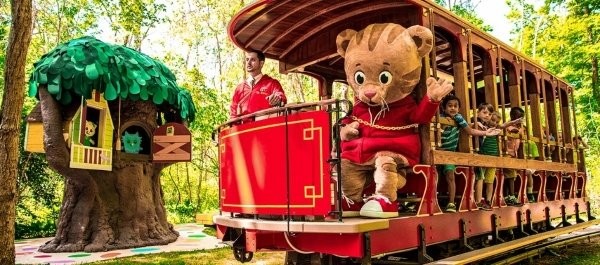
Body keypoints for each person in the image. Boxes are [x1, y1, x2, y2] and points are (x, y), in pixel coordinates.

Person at [438, 95, 499, 213]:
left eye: (455, 106)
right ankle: (435, 199)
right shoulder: (439, 117)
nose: (453, 108)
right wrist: (444, 123)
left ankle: (451, 203)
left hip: (450, 154)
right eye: (450, 106)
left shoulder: (459, 118)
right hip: (439, 151)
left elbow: (470, 131)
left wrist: (486, 132)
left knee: (450, 175)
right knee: (436, 177)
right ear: (444, 108)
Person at [229, 49, 287, 120]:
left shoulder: (272, 83)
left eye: (253, 60)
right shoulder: (239, 88)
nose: (248, 63)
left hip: (264, 127)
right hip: (244, 128)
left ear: (261, 63)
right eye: (247, 60)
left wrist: (277, 98)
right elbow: (233, 113)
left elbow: (280, 96)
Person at [503, 107, 525, 206]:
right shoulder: (509, 125)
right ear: (512, 116)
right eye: (518, 117)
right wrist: (519, 128)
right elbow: (515, 131)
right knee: (510, 174)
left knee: (511, 176)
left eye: (521, 117)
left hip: (514, 154)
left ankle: (508, 196)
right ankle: (511, 195)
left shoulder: (521, 127)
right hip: (506, 153)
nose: (520, 119)